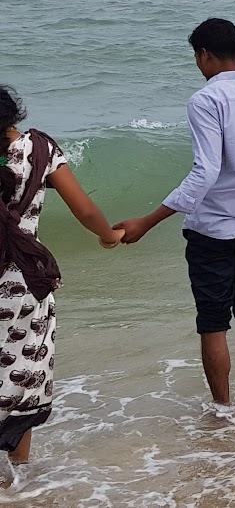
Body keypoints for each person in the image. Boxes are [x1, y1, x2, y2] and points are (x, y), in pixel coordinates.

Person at [115, 19, 235, 410]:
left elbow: (206, 171)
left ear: (204, 55)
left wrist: (147, 221)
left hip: (214, 227)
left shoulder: (205, 100)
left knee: (213, 321)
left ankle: (223, 410)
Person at [0, 85, 123, 487]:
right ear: (12, 116)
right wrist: (108, 236)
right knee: (23, 368)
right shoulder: (39, 150)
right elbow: (84, 208)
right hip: (23, 284)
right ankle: (18, 472)